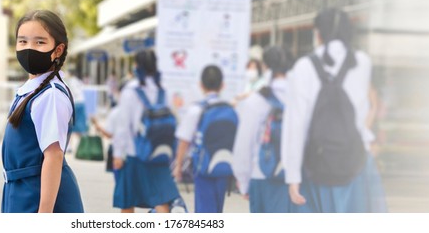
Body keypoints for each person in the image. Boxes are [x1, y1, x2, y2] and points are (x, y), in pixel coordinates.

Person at [282, 8, 387, 213]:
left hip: (316, 163)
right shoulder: (362, 62)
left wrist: (293, 175)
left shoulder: (304, 66)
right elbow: (361, 113)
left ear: (318, 34)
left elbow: (296, 124)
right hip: (356, 161)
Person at [1, 10, 83, 213]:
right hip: (22, 190)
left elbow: (53, 156)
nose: (29, 49)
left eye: (39, 42)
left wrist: (44, 213)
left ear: (58, 50)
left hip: (37, 194)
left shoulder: (50, 95)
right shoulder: (31, 89)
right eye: (22, 41)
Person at [232, 46, 305, 213]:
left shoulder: (256, 100)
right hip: (298, 180)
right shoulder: (302, 98)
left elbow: (244, 145)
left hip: (262, 175)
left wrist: (243, 182)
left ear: (265, 66)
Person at [113, 50, 180, 213]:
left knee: (128, 202)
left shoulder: (130, 90)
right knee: (161, 200)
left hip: (134, 154)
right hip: (159, 153)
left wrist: (117, 153)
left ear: (136, 66)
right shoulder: (164, 89)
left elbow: (123, 125)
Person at [173, 65, 237, 213]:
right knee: (217, 210)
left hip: (203, 170)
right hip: (225, 169)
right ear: (222, 85)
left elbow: (184, 140)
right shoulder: (230, 110)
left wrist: (178, 166)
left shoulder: (197, 109)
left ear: (201, 85)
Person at [64, 69, 87, 153]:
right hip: (82, 103)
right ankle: (84, 145)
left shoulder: (68, 82)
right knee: (81, 125)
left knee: (70, 125)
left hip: (74, 103)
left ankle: (69, 146)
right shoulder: (78, 81)